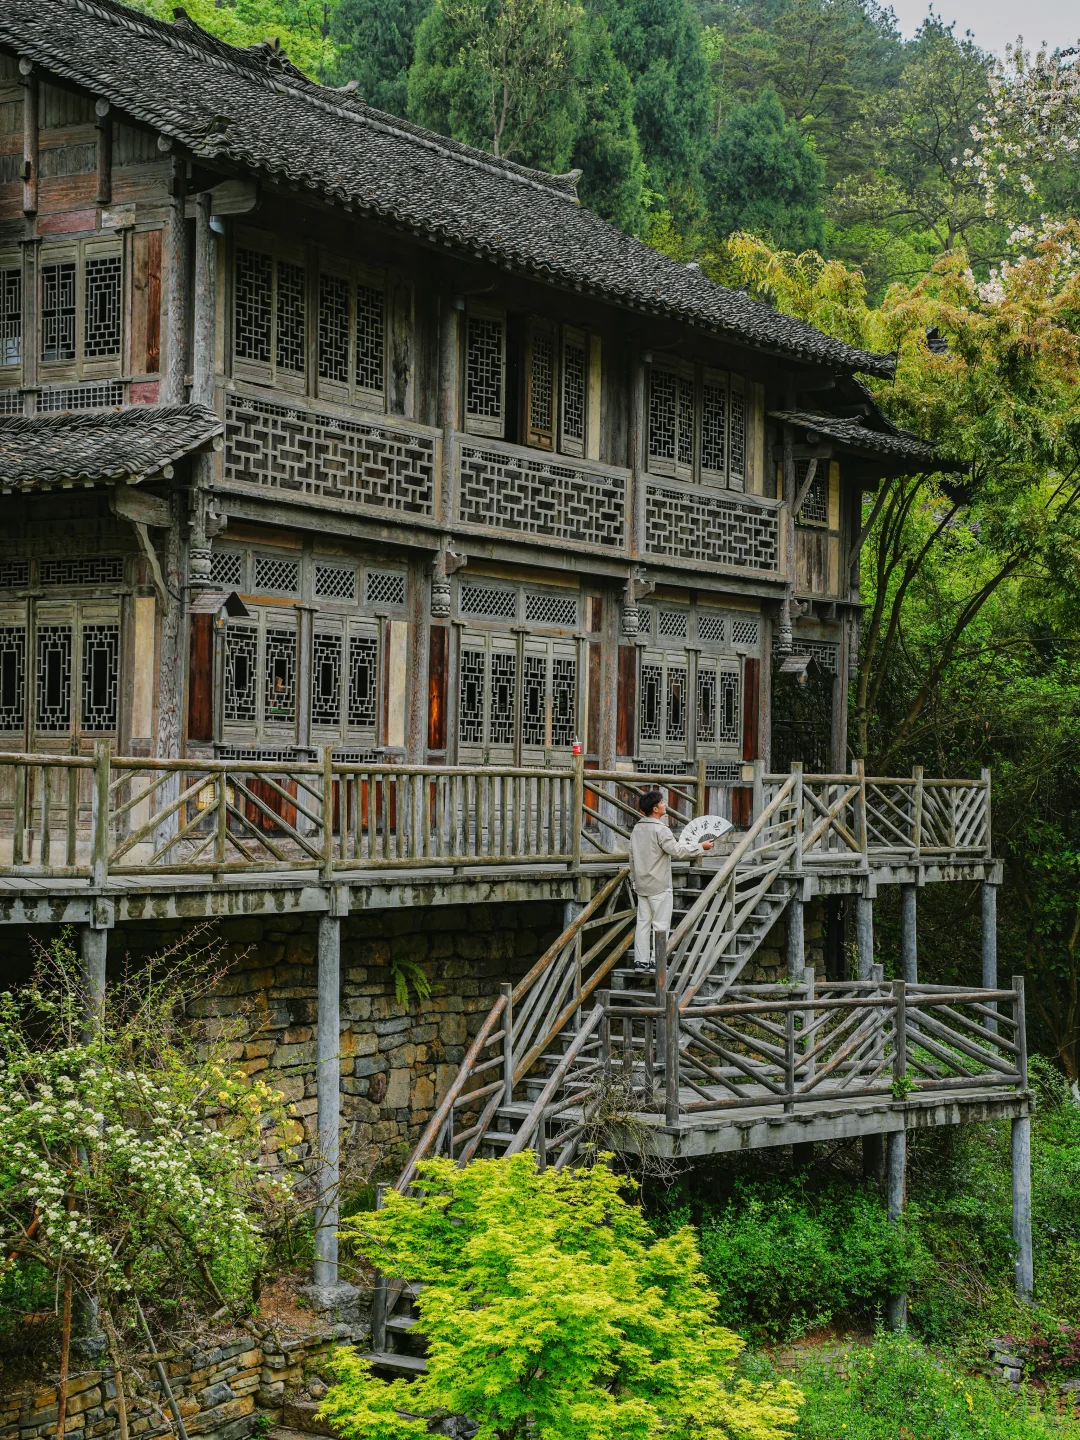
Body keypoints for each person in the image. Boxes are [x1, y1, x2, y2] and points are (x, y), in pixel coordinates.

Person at [629, 790, 713, 972]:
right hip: (659, 884)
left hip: (642, 884)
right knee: (660, 925)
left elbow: (632, 857)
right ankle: (656, 961)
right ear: (655, 808)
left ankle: (640, 961)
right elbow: (677, 851)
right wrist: (701, 847)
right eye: (662, 802)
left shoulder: (637, 829)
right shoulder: (661, 830)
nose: (665, 805)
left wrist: (634, 881)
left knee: (643, 923)